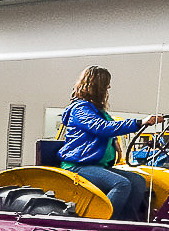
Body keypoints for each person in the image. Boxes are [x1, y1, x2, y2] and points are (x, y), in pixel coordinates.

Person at [58, 65, 163, 221]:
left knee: (138, 181)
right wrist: (140, 122)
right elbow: (102, 127)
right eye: (105, 85)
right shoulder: (80, 109)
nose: (108, 88)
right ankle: (105, 224)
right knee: (121, 184)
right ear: (96, 86)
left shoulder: (99, 111)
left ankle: (128, 222)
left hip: (98, 166)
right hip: (79, 166)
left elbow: (109, 129)